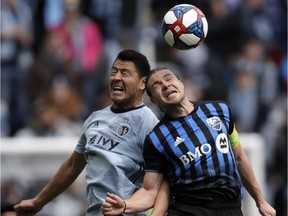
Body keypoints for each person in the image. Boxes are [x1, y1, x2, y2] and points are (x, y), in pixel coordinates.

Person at [101, 67, 276, 216]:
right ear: (154, 100)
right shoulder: (156, 139)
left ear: (181, 82)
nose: (165, 85)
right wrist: (125, 205)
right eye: (157, 85)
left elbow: (239, 158)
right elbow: (150, 191)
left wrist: (260, 201)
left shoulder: (220, 110)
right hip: (190, 210)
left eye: (168, 79)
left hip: (231, 208)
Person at [14, 50, 166, 216]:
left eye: (125, 73)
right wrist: (38, 201)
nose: (116, 77)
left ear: (142, 83)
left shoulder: (149, 123)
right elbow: (72, 166)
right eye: (114, 71)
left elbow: (163, 183)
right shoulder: (95, 119)